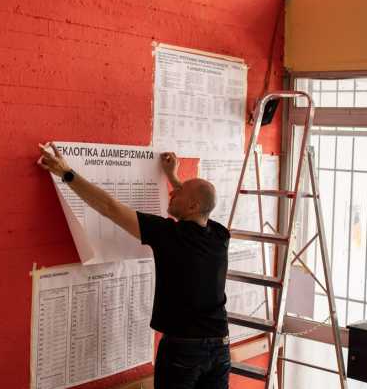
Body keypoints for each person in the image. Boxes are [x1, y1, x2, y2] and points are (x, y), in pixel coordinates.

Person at [37, 142, 231, 389]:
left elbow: (109, 207)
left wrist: (66, 172)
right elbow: (202, 201)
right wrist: (172, 176)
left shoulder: (168, 234)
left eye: (178, 192)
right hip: (220, 346)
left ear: (192, 206)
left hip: (185, 350)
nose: (172, 191)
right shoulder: (219, 235)